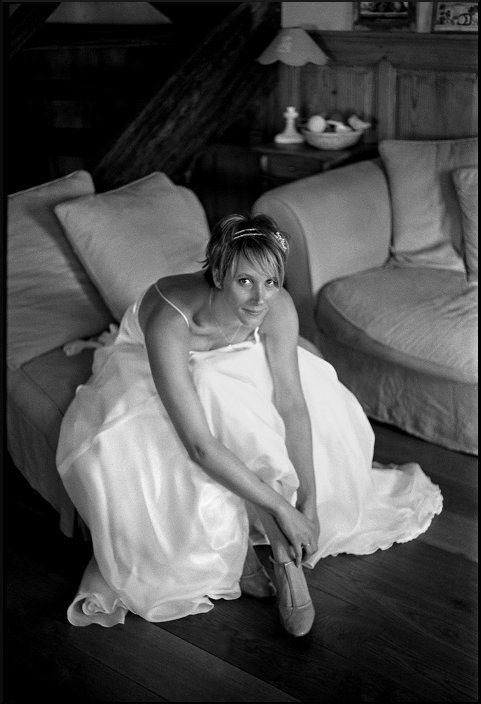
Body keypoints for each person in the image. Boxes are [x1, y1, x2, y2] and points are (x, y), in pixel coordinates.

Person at [56, 212, 442, 637]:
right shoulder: (171, 321)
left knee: (266, 393)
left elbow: (292, 404)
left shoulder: (275, 306)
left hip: (231, 363)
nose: (260, 298)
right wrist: (283, 509)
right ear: (219, 274)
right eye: (245, 281)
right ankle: (281, 547)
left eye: (271, 282)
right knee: (211, 389)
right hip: (151, 368)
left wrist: (309, 497)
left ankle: (281, 553)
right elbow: (199, 445)